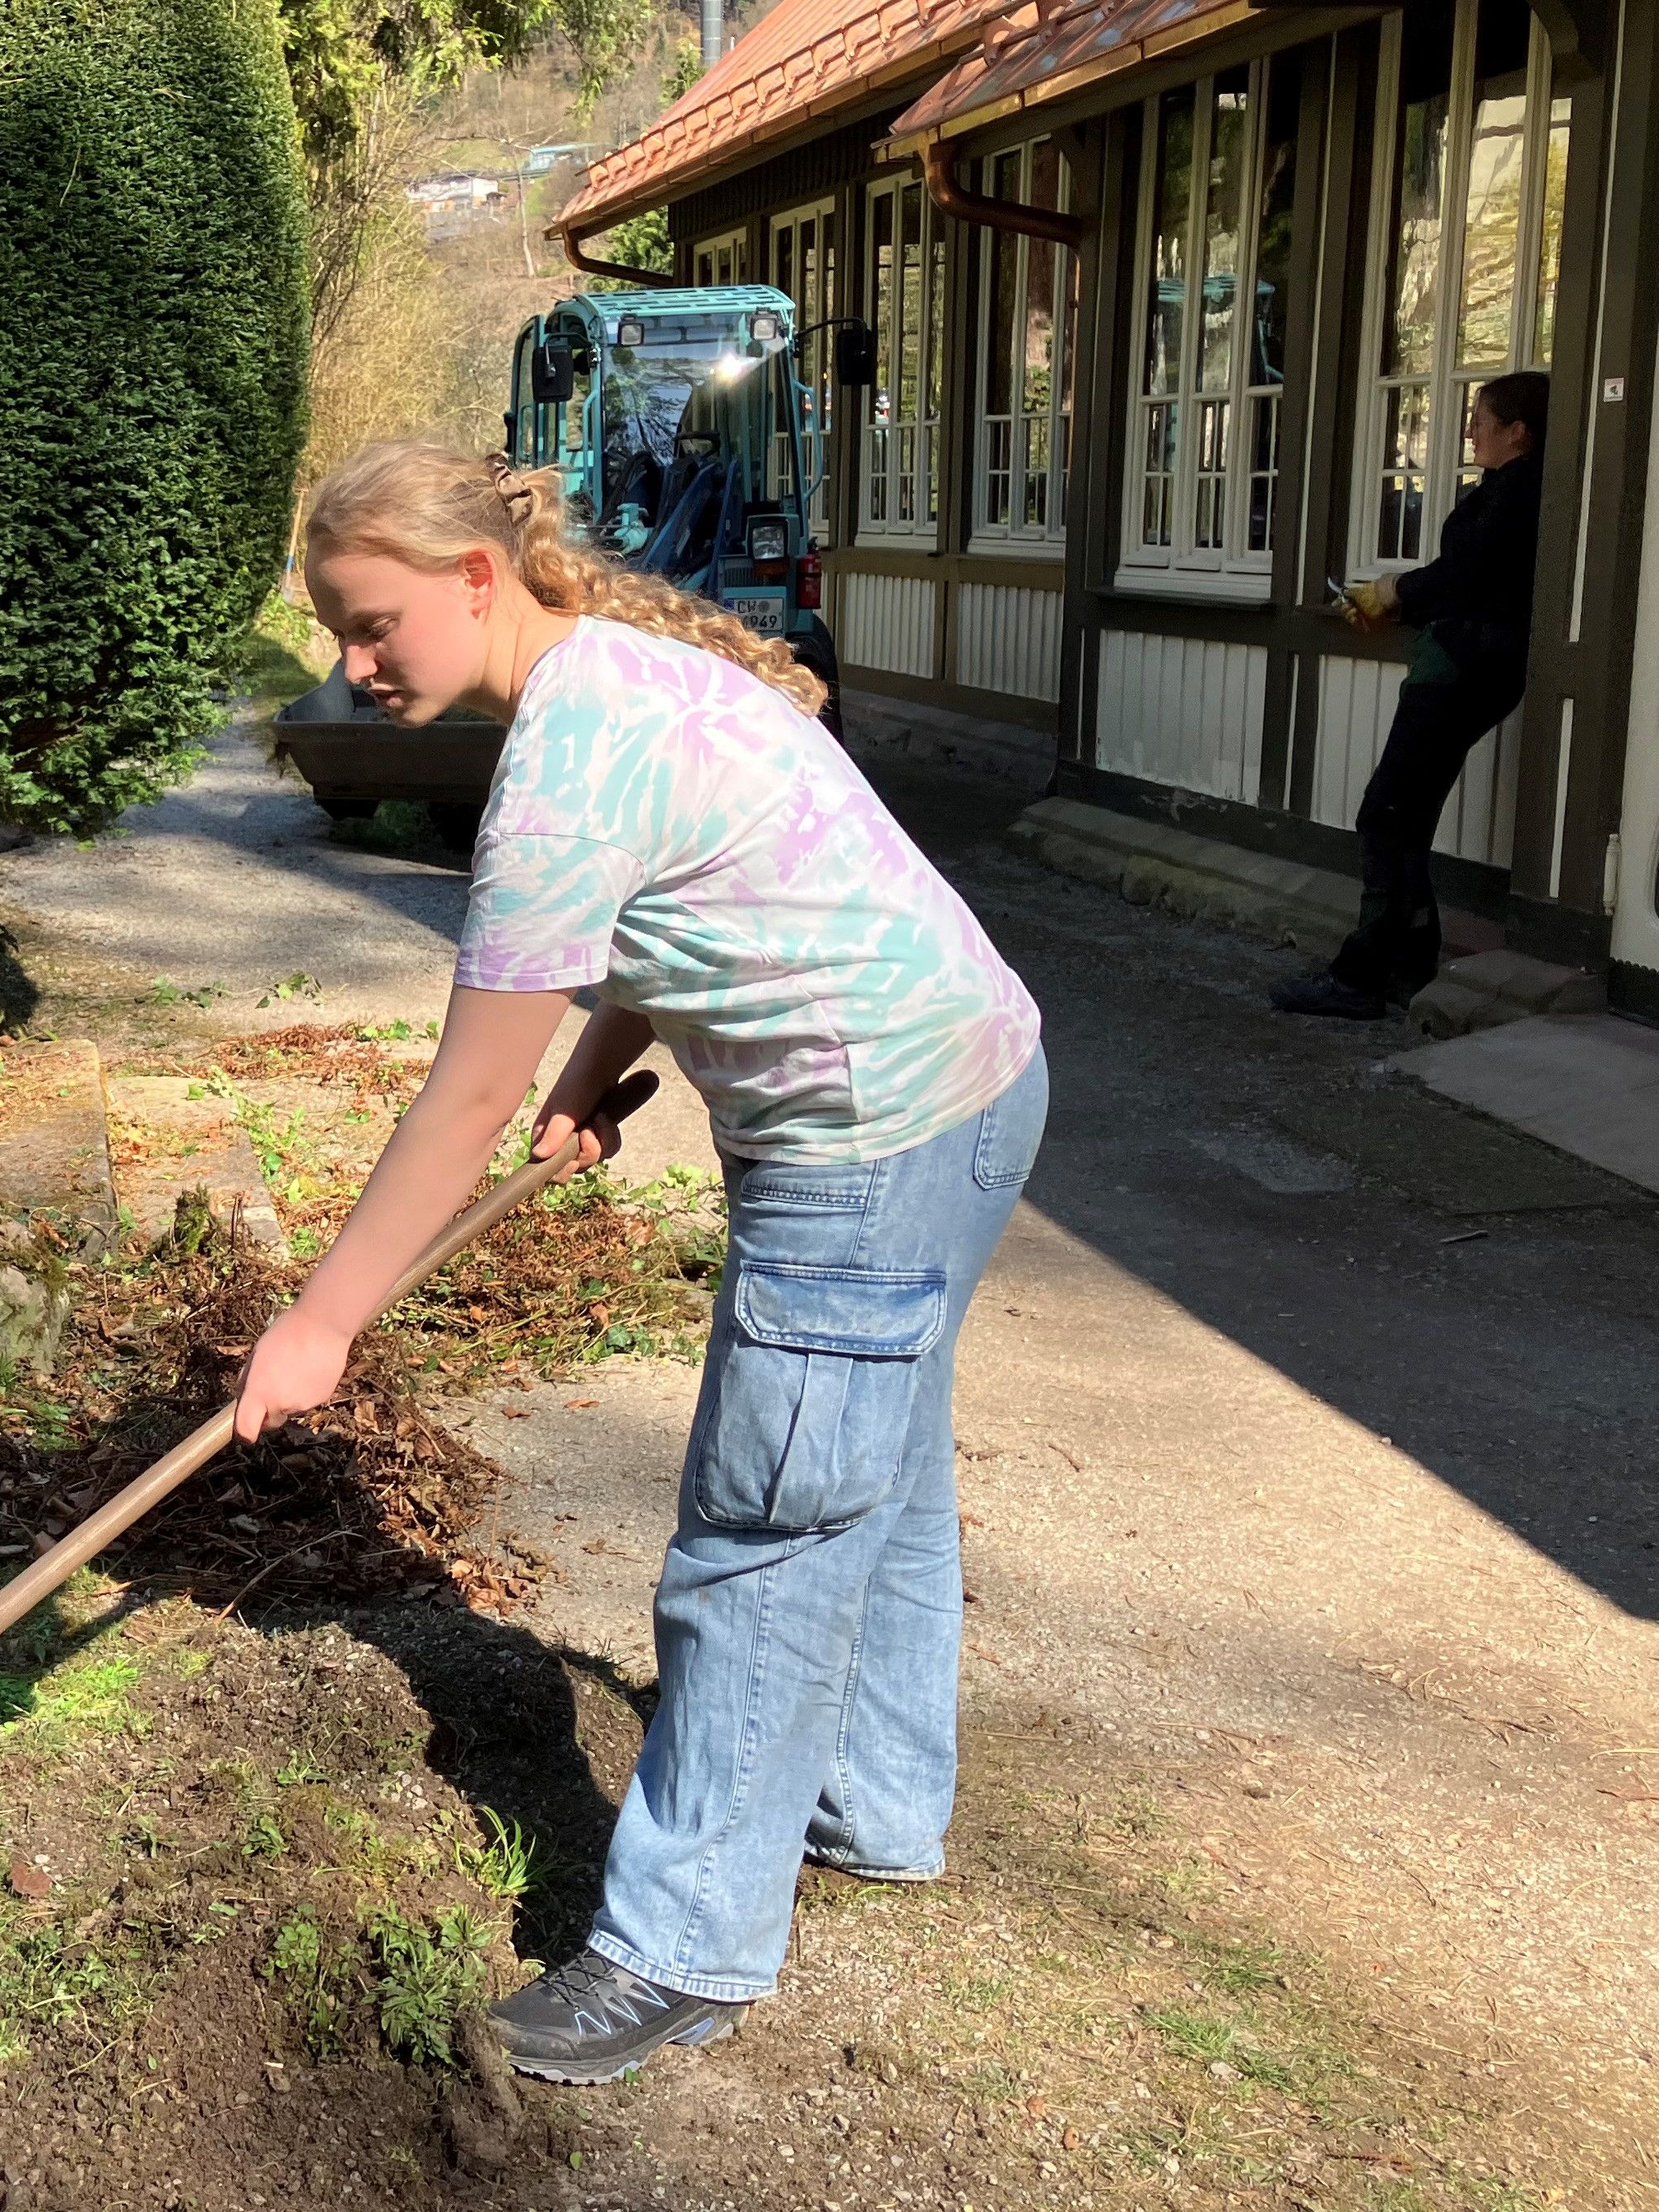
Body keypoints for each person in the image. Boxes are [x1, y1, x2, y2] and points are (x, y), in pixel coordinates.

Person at [233, 442, 1048, 2084]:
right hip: (971, 1088)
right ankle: (874, 1804)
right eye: (337, 632)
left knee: (765, 1526)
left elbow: (457, 1094)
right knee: (860, 1477)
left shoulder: (558, 768)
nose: (356, 662)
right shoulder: (621, 674)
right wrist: (598, 1067)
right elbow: (680, 892)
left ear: (479, 579)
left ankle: (679, 1943)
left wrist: (325, 1320)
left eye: (375, 623)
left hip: (866, 1137)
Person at [1271, 371, 1550, 1019]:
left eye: (1483, 419)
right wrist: (1397, 605)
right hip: (1462, 659)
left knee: (1387, 814)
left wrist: (1397, 590)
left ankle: (1361, 978)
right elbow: (1468, 585)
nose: (1472, 430)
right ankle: (1407, 963)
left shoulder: (1519, 495)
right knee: (1405, 817)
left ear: (1518, 431)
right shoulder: (1509, 490)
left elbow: (1469, 577)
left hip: (1463, 669)